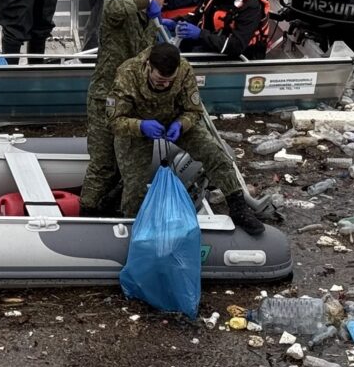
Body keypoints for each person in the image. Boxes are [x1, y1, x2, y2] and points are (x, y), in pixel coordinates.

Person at [109, 42, 264, 234]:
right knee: (134, 184)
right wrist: (140, 126)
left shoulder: (184, 70)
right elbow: (114, 121)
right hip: (137, 126)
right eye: (159, 80)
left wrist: (182, 123)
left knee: (214, 153)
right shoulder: (127, 74)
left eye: (169, 81)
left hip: (175, 121)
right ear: (149, 66)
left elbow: (194, 110)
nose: (164, 84)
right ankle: (132, 223)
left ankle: (238, 207)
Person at [80, 0, 172, 215]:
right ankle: (86, 212)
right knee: (102, 164)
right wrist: (146, 2)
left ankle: (112, 209)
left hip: (130, 103)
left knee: (128, 168)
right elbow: (113, 10)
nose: (164, 5)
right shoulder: (117, 10)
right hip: (105, 97)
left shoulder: (150, 24)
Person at [183, 0, 273, 60]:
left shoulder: (250, 5)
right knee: (182, 44)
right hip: (213, 40)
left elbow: (237, 46)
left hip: (242, 54)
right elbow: (197, 15)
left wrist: (200, 35)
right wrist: (176, 22)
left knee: (192, 57)